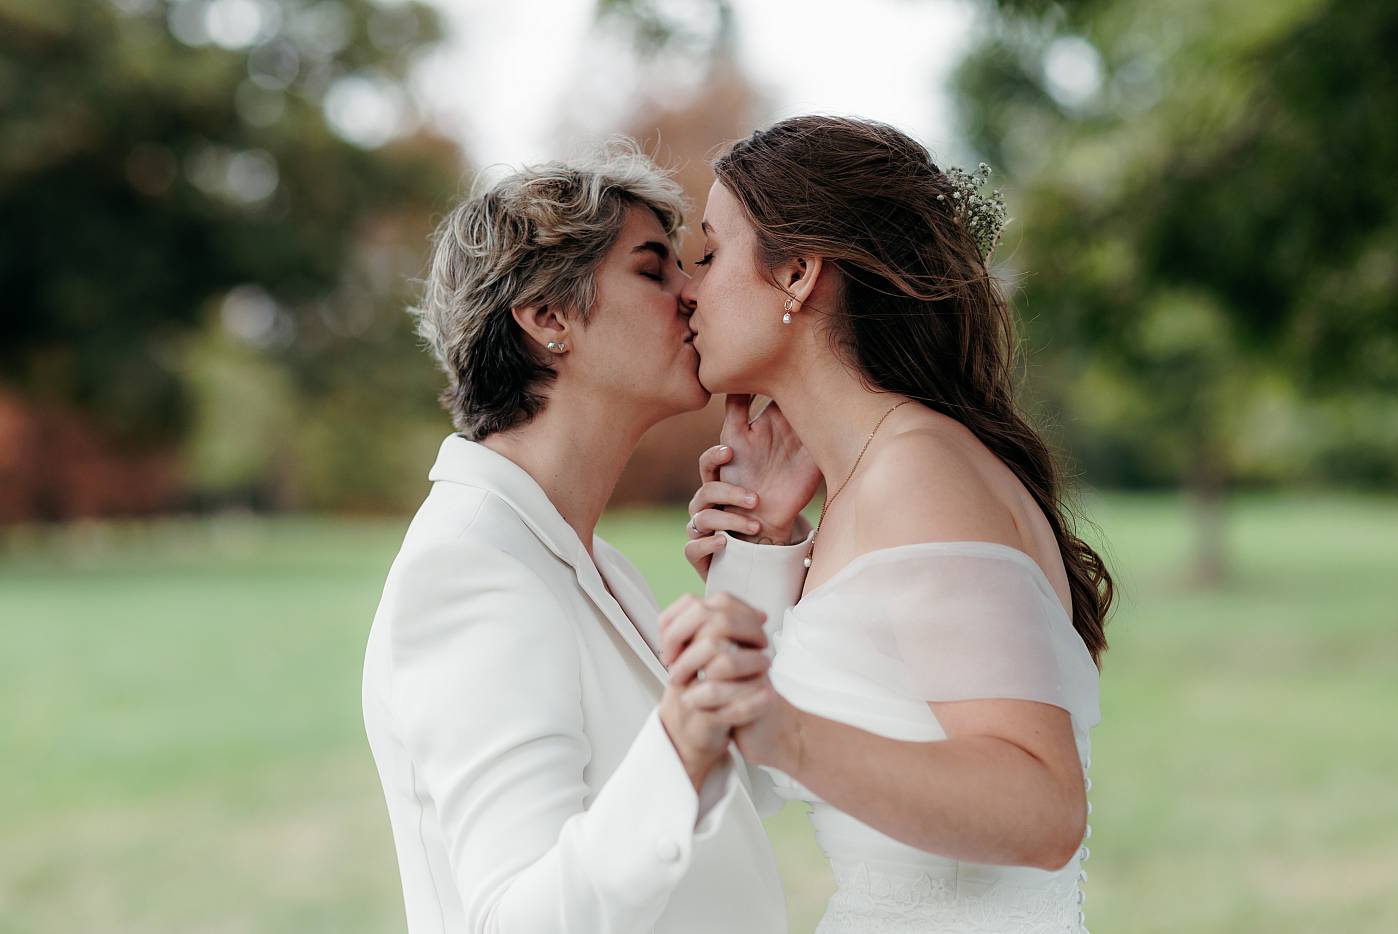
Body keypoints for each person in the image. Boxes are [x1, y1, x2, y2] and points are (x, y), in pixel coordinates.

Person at [660, 115, 1115, 933]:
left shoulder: (920, 475)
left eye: (710, 251)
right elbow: (758, 781)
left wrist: (781, 728)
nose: (687, 289)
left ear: (798, 272)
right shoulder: (869, 488)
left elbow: (1043, 810)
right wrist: (764, 552)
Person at [360, 144, 794, 934]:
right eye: (653, 269)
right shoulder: (469, 570)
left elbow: (731, 788)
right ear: (548, 318)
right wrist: (680, 737)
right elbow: (515, 917)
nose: (691, 293)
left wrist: (756, 555)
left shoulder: (586, 558)